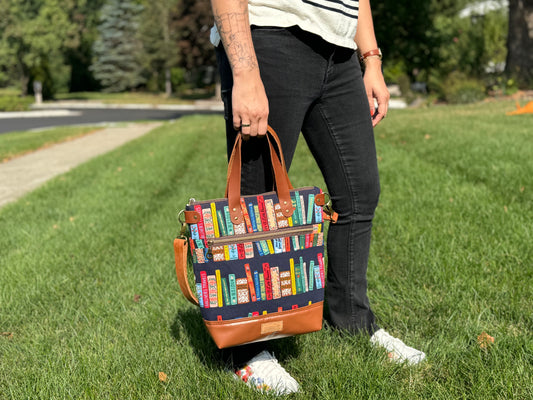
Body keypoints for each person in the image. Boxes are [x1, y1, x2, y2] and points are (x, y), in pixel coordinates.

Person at [209, 0, 426, 394]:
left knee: (360, 193)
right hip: (270, 38)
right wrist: (244, 69)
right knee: (259, 206)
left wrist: (371, 59)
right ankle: (249, 349)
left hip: (340, 53)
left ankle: (351, 320)